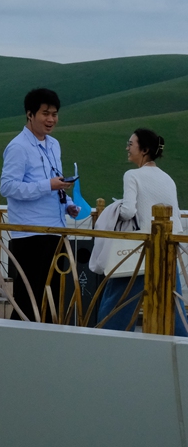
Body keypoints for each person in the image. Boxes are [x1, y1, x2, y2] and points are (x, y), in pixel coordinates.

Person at [96, 128, 187, 335]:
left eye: (130, 144)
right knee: (173, 304)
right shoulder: (167, 178)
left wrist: (114, 209)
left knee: (116, 304)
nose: (127, 148)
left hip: (140, 249)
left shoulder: (132, 175)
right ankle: (182, 345)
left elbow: (128, 211)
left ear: (144, 150)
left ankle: (107, 342)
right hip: (167, 249)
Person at [0, 88, 77, 322]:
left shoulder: (54, 144)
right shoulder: (18, 146)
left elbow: (55, 180)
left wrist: (68, 203)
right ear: (30, 114)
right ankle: (17, 340)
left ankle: (47, 340)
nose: (51, 119)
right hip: (30, 233)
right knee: (29, 298)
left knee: (52, 296)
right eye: (45, 113)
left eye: (54, 114)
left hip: (55, 229)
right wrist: (48, 186)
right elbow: (7, 187)